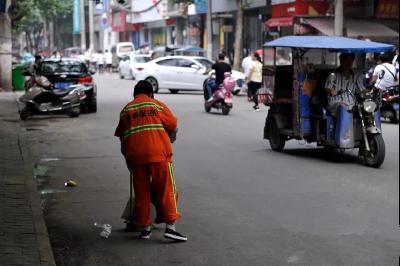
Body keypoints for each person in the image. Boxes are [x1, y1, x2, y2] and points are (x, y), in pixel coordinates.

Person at [114, 80, 187, 242]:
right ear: (151, 94)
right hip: (159, 155)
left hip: (135, 158)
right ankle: (171, 228)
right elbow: (173, 126)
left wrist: (129, 161)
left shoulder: (126, 110)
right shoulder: (157, 105)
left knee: (142, 193)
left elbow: (122, 139)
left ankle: (145, 229)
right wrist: (171, 139)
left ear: (135, 94)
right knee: (168, 189)